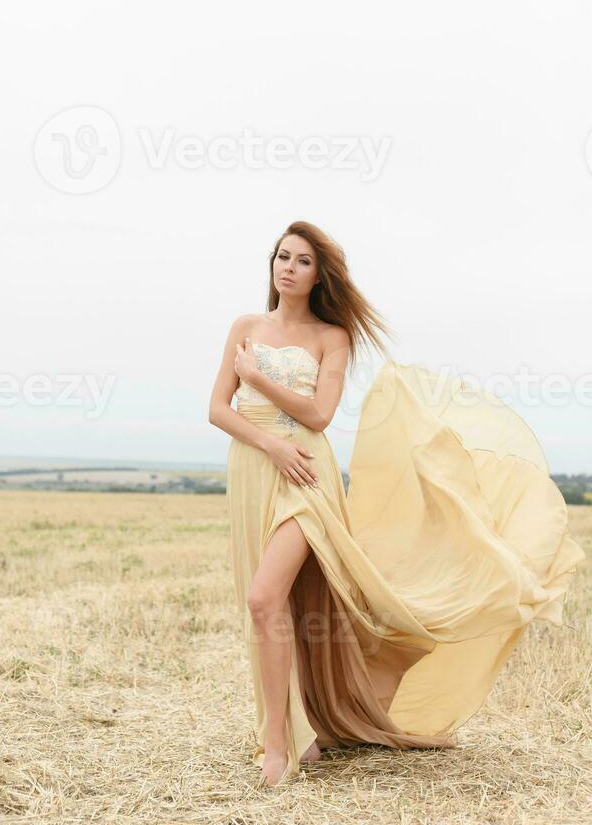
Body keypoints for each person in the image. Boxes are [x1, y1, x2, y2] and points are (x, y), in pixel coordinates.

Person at [208, 220, 586, 788]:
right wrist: (268, 443)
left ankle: (277, 750)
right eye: (282, 256)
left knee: (265, 599)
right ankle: (298, 732)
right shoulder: (245, 326)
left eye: (302, 260)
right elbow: (218, 409)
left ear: (319, 275)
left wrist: (257, 379)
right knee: (275, 604)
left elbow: (319, 415)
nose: (288, 266)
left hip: (306, 475)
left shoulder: (331, 336)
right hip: (257, 465)